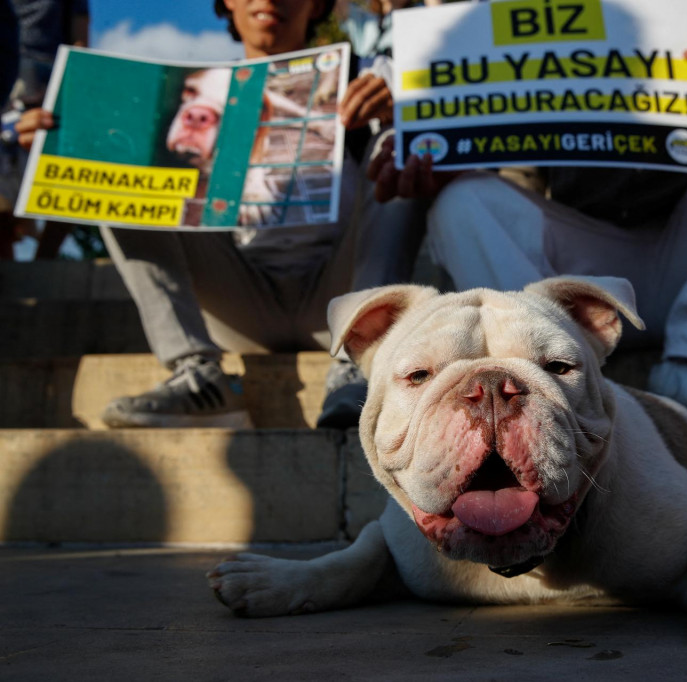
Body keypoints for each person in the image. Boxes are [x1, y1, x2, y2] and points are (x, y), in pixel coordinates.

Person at [368, 4, 687, 426]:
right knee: (463, 201)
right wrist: (446, 160)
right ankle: (543, 386)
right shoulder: (516, 26)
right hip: (587, 274)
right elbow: (507, 176)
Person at [17, 0, 425, 429]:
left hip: (343, 304)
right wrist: (59, 138)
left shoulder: (370, 74)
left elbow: (445, 137)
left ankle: (361, 365)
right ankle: (197, 374)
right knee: (118, 169)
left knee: (401, 146)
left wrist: (401, 109)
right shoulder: (209, 90)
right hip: (237, 302)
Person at [1, 0, 90, 260]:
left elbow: (80, 38)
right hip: (6, 71)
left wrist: (75, 86)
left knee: (67, 164)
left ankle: (44, 261)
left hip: (48, 74)